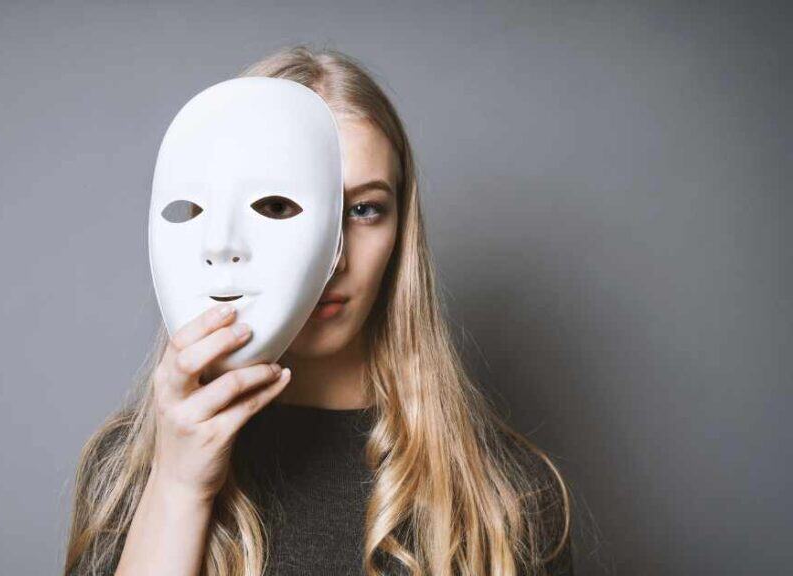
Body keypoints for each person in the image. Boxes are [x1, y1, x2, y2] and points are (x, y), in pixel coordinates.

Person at [63, 44, 573, 576]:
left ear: (400, 232)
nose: (332, 258)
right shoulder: (129, 471)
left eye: (362, 210)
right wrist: (178, 488)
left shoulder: (507, 495)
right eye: (279, 206)